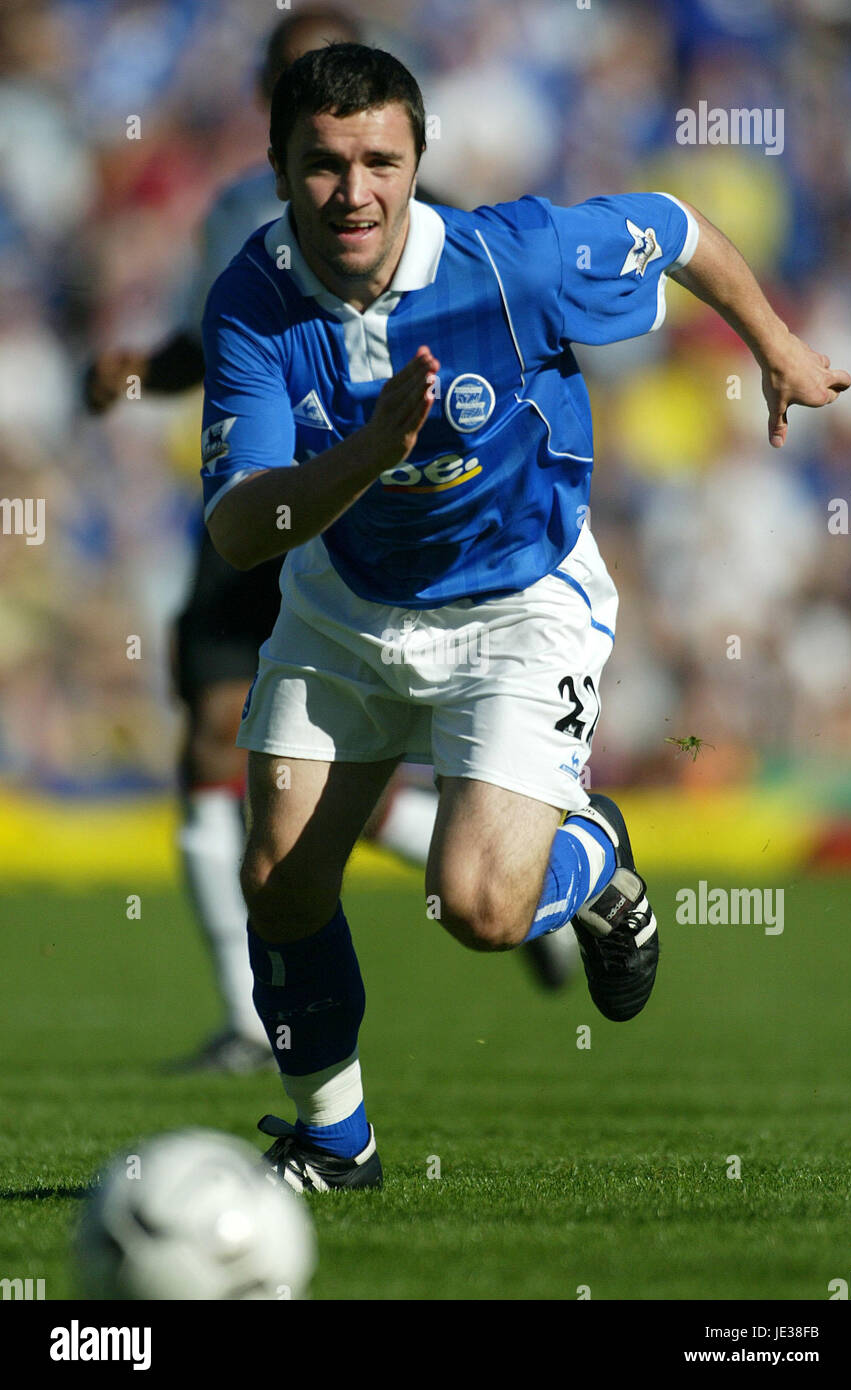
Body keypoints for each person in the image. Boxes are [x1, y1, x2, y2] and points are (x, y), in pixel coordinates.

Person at [201, 43, 850, 1188]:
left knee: (483, 909)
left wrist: (777, 344)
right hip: (346, 603)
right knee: (278, 878)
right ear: (277, 166)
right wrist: (365, 457)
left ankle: (592, 862)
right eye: (322, 165)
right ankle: (335, 1143)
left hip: (518, 603)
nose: (353, 191)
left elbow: (675, 225)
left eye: (378, 161)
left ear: (416, 162)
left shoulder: (516, 261)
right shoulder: (250, 302)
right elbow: (243, 528)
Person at [85, 15, 577, 1076]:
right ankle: (249, 1023)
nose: (351, 179)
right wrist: (135, 375)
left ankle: (525, 886)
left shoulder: (433, 231)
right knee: (228, 757)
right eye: (290, 72)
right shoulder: (230, 220)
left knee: (304, 780)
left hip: (384, 525)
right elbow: (205, 348)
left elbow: (502, 352)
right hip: (260, 498)